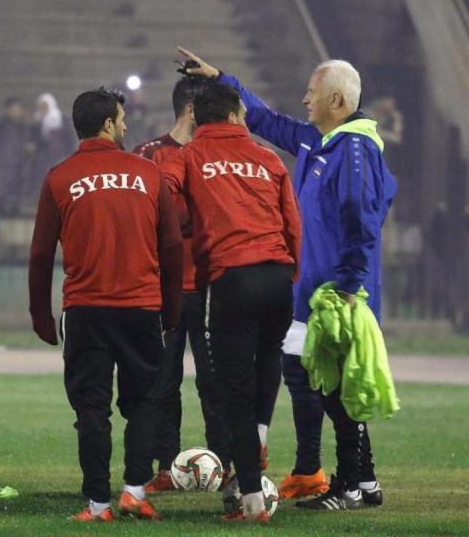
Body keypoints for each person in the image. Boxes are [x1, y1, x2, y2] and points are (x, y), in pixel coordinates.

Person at [179, 47, 396, 510]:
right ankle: (359, 479)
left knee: (333, 387)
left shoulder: (355, 146)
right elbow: (265, 120)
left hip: (339, 292)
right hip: (315, 291)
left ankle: (352, 483)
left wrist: (350, 280)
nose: (304, 99)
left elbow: (363, 214)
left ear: (336, 99)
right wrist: (224, 79)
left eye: (312, 93)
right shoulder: (324, 142)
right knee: (311, 378)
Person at [29, 87, 183, 522]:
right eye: (121, 118)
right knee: (145, 402)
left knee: (91, 410)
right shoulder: (148, 174)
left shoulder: (59, 177)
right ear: (108, 124)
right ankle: (135, 490)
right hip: (140, 308)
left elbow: (40, 254)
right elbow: (172, 247)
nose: (126, 125)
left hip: (86, 311)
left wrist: (41, 316)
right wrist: (171, 310)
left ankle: (98, 505)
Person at [161, 82, 301, 523]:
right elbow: (292, 224)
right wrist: (290, 273)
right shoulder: (268, 158)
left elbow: (161, 193)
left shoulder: (189, 157)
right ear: (238, 116)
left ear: (200, 120)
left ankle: (253, 502)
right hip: (277, 276)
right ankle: (259, 434)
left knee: (232, 392)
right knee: (268, 357)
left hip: (231, 278)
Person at [131, 75, 234, 492]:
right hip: (165, 289)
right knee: (162, 381)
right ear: (192, 110)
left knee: (215, 382)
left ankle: (224, 464)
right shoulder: (148, 156)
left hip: (211, 288)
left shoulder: (216, 156)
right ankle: (166, 466)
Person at [0, 97, 33, 216]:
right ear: (8, 111)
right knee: (5, 184)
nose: (16, 112)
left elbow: (28, 140)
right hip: (7, 160)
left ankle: (16, 208)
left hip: (21, 160)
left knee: (19, 185)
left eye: (18, 109)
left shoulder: (24, 124)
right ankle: (2, 208)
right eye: (14, 109)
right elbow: (2, 143)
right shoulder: (3, 124)